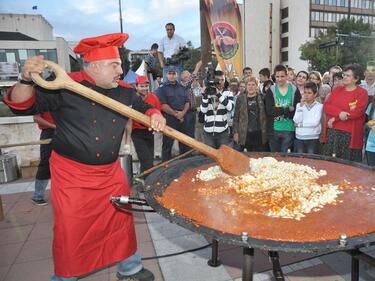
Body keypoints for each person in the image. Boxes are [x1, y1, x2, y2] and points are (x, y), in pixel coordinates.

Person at [4, 33, 166, 281]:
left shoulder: (123, 91)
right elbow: (22, 105)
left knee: (120, 221)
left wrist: (155, 113)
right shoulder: (63, 84)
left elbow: (145, 107)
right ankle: (65, 278)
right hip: (72, 175)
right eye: (114, 65)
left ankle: (129, 268)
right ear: (93, 66)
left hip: (110, 172)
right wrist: (25, 78)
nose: (120, 71)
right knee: (72, 230)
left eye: (120, 64)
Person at [323, 64, 368, 162]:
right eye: (344, 75)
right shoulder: (337, 90)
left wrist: (335, 118)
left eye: (348, 75)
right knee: (331, 165)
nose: (344, 77)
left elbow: (357, 112)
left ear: (356, 79)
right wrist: (339, 113)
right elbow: (327, 106)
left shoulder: (362, 93)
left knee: (348, 168)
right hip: (333, 133)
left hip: (350, 135)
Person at [265, 64, 301, 153]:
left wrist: (279, 111)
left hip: (289, 129)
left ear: (286, 76)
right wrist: (287, 109)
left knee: (286, 158)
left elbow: (297, 109)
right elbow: (270, 110)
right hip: (273, 129)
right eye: (277, 76)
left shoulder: (294, 89)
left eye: (282, 76)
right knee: (275, 158)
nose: (279, 79)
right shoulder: (271, 90)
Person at [156, 67, 190, 161]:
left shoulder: (182, 88)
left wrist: (182, 113)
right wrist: (176, 115)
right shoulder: (162, 89)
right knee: (167, 145)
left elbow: (187, 102)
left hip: (183, 118)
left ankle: (184, 166)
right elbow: (163, 105)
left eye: (173, 74)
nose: (172, 76)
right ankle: (165, 168)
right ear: (166, 75)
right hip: (169, 118)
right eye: (170, 73)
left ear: (176, 75)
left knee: (184, 144)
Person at [130, 76, 161, 173]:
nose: (144, 88)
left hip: (149, 131)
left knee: (149, 159)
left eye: (146, 86)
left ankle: (144, 180)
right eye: (142, 86)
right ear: (136, 86)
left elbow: (158, 112)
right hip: (136, 132)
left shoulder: (153, 97)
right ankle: (146, 180)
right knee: (146, 160)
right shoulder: (132, 99)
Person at [200, 70, 234, 149]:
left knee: (223, 155)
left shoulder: (228, 93)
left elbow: (230, 108)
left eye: (223, 80)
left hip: (223, 131)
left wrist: (218, 94)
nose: (221, 82)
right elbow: (203, 111)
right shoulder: (208, 92)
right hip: (208, 131)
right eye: (218, 80)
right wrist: (205, 96)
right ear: (213, 80)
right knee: (210, 157)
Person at [233, 77, 267, 152]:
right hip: (245, 133)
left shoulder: (262, 98)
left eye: (253, 85)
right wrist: (235, 132)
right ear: (246, 86)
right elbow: (236, 117)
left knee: (259, 157)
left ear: (257, 86)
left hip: (259, 132)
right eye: (249, 84)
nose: (251, 87)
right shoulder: (240, 98)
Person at [31, 112, 56, 206]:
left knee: (68, 162)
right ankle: (37, 196)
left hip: (64, 132)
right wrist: (54, 126)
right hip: (49, 133)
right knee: (45, 164)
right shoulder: (41, 99)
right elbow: (36, 118)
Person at [293, 82, 323, 154]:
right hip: (299, 137)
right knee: (300, 161)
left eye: (309, 93)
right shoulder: (299, 105)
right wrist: (301, 106)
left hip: (313, 138)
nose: (306, 95)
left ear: (315, 94)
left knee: (311, 161)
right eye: (305, 92)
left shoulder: (319, 106)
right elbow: (296, 120)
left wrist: (300, 125)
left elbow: (315, 123)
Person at [365, 97, 375, 166]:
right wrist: (369, 125)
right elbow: (365, 122)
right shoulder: (371, 106)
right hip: (371, 145)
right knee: (371, 171)